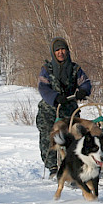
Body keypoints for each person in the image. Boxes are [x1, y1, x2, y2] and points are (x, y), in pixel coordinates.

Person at [36, 37, 92, 176]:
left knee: (75, 135)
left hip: (69, 108)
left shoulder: (75, 69)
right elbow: (43, 87)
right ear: (53, 53)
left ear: (67, 51)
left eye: (63, 49)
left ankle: (74, 164)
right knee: (48, 136)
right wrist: (55, 97)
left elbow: (85, 82)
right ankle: (53, 168)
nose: (60, 52)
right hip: (49, 110)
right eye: (57, 50)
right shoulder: (46, 70)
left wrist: (83, 91)